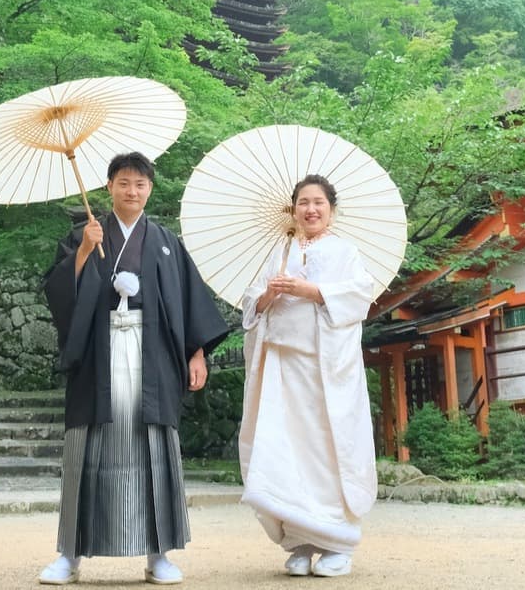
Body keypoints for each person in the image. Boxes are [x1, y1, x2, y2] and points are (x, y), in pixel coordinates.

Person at [40, 151, 229, 586]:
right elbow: (58, 293)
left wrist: (196, 352)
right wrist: (85, 252)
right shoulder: (82, 234)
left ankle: (157, 554)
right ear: (109, 187)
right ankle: (69, 555)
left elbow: (190, 301)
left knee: (154, 449)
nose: (133, 191)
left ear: (150, 189)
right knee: (86, 449)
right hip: (98, 356)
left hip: (154, 356)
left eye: (141, 184)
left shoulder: (164, 240)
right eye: (124, 183)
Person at [238, 174, 377, 578]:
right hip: (281, 365)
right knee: (283, 450)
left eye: (318, 202)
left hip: (323, 370)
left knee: (325, 450)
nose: (310, 209)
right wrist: (270, 295)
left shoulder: (345, 252)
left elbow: (359, 297)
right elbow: (253, 303)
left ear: (331, 210)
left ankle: (336, 541)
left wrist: (310, 290)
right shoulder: (279, 250)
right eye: (303, 202)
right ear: (293, 209)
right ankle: (299, 539)